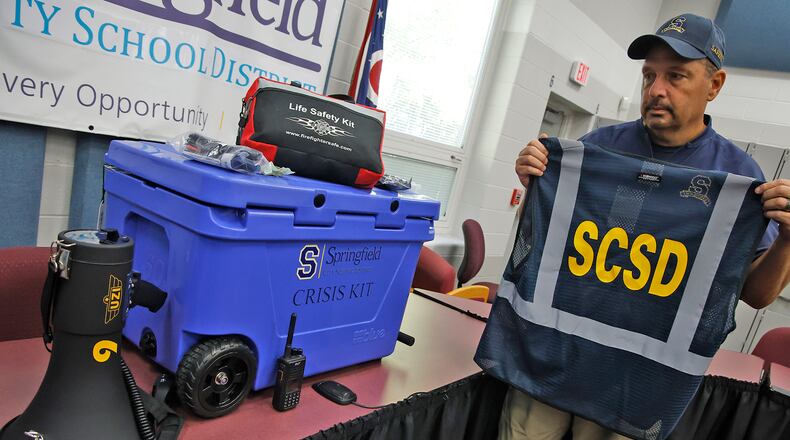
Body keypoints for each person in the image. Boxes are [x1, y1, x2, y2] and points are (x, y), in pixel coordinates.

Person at [504, 13, 790, 440]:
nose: (656, 90)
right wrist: (536, 187)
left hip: (634, 383)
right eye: (649, 75)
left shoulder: (737, 177)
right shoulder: (596, 150)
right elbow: (541, 241)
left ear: (714, 85)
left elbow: (756, 294)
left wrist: (787, 240)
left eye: (676, 76)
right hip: (555, 355)